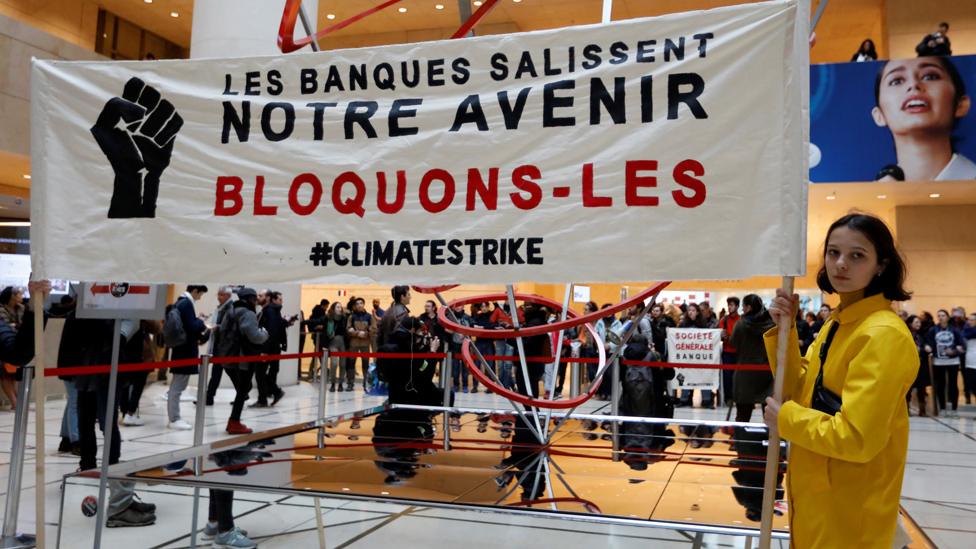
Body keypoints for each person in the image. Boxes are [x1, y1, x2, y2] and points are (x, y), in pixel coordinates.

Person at [763, 213, 917, 549]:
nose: (841, 264)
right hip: (820, 500)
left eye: (857, 255)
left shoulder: (882, 335)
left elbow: (857, 438)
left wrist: (785, 419)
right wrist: (784, 334)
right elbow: (797, 393)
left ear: (881, 265)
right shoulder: (838, 323)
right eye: (833, 253)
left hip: (851, 515)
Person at [58, 298, 158, 527]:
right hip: (89, 367)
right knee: (88, 420)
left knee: (106, 423)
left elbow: (125, 333)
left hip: (106, 368)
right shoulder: (85, 308)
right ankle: (90, 465)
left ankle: (112, 472)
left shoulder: (116, 307)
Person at [872, 56, 974, 181]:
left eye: (930, 76)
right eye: (897, 81)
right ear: (879, 115)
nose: (913, 85)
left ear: (960, 105)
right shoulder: (866, 198)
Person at [219, 287, 269, 434]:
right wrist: (264, 333)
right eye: (255, 299)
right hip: (244, 356)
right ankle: (234, 421)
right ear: (251, 299)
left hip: (229, 354)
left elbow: (222, 330)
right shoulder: (248, 313)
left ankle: (233, 421)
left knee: (242, 389)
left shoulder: (230, 311)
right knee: (242, 390)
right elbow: (254, 335)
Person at [167, 285, 209, 430]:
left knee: (177, 385)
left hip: (181, 349)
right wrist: (202, 321)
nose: (200, 297)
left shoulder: (180, 302)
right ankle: (174, 418)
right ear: (195, 291)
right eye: (200, 294)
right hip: (184, 350)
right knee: (177, 386)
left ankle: (174, 417)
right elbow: (191, 326)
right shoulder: (186, 303)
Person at [730, 294, 775, 422]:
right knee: (769, 417)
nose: (742, 309)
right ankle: (770, 441)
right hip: (766, 372)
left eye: (743, 306)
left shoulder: (741, 324)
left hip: (745, 373)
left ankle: (741, 440)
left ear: (749, 307)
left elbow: (734, 342)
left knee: (743, 415)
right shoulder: (771, 323)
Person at [925, 309, 964, 414]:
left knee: (952, 385)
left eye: (943, 315)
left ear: (947, 317)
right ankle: (942, 408)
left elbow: (962, 345)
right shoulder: (933, 330)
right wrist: (928, 347)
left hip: (953, 361)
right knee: (940, 385)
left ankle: (954, 408)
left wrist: (954, 351)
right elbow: (928, 343)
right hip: (938, 362)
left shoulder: (954, 330)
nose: (941, 317)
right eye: (939, 315)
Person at [252, 290, 287, 407]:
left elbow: (271, 332)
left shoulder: (270, 311)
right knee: (260, 374)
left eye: (260, 296)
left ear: (267, 298)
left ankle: (266, 398)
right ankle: (271, 394)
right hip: (269, 348)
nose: (258, 297)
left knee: (260, 374)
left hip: (267, 349)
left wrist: (265, 351)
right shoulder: (269, 310)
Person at [205, 286, 235, 406]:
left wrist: (218, 327)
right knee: (217, 372)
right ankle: (209, 397)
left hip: (224, 346)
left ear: (228, 296)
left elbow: (229, 327)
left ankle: (243, 392)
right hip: (220, 345)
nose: (218, 297)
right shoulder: (222, 308)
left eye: (221, 295)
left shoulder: (230, 308)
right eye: (218, 294)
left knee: (229, 372)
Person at [0, 286, 25, 407]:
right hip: (3, 344)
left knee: (13, 374)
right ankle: (14, 402)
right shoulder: (1, 309)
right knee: (4, 374)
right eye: (19, 294)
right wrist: (16, 326)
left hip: (16, 344)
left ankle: (17, 402)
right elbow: (5, 325)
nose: (22, 296)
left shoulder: (21, 308)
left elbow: (23, 325)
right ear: (12, 296)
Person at [347, 297, 377, 391]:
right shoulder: (352, 317)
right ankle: (350, 383)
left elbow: (374, 328)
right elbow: (348, 328)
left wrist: (366, 333)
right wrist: (357, 333)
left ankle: (365, 383)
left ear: (364, 304)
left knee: (365, 364)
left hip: (365, 343)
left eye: (361, 303)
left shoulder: (369, 316)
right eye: (357, 304)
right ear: (355, 306)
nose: (359, 305)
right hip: (354, 344)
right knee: (351, 364)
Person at [905, 315, 931, 415]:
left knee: (922, 388)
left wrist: (926, 347)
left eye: (919, 322)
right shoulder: (906, 334)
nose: (918, 324)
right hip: (909, 366)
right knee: (908, 389)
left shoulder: (921, 336)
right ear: (910, 323)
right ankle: (906, 409)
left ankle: (922, 410)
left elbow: (925, 347)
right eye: (916, 322)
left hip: (921, 366)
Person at [718, 296, 740, 405]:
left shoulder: (741, 320)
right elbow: (721, 335)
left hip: (739, 352)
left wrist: (729, 337)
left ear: (737, 306)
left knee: (739, 376)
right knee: (727, 376)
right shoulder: (724, 320)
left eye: (732, 305)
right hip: (727, 352)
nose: (730, 307)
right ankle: (728, 398)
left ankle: (738, 397)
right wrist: (723, 336)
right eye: (729, 305)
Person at [325, 301, 350, 392]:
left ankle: (340, 384)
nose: (340, 308)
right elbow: (318, 321)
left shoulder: (345, 318)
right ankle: (332, 383)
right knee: (334, 363)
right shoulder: (329, 318)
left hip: (343, 342)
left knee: (343, 364)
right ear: (333, 309)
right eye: (337, 307)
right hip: (333, 342)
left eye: (340, 307)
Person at [963, 313, 976, 407]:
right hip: (969, 362)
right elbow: (964, 334)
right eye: (969, 320)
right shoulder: (966, 330)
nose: (969, 322)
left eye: (972, 320)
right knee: (972, 386)